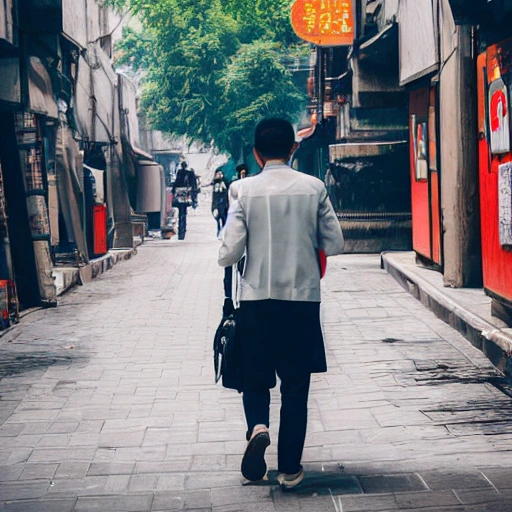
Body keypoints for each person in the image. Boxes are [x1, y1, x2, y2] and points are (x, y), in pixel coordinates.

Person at [218, 118, 344, 488]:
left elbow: (228, 253)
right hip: (301, 302)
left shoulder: (242, 191)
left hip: (256, 301)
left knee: (255, 379)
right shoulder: (313, 187)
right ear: (293, 148)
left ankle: (258, 426)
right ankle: (289, 468)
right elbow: (334, 243)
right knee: (295, 386)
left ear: (256, 154)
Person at [172, 161, 198, 240]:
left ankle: (181, 231)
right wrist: (194, 197)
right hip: (187, 194)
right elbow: (194, 185)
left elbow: (176, 183)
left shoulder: (180, 173)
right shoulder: (190, 173)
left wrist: (173, 191)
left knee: (181, 213)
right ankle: (182, 230)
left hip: (180, 195)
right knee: (183, 213)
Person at [211, 169, 229, 237]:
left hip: (223, 202)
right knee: (217, 217)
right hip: (216, 202)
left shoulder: (224, 182)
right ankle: (219, 230)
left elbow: (227, 189)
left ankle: (223, 231)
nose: (219, 175)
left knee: (224, 216)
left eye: (220, 174)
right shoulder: (215, 183)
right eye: (218, 174)